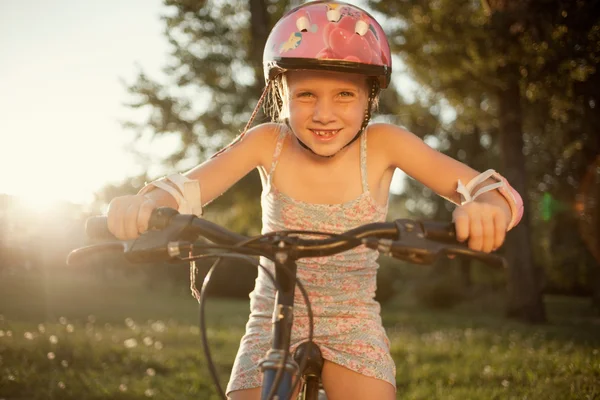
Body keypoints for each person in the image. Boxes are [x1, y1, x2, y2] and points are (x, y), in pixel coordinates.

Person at [106, 1, 524, 399]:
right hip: (273, 316)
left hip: (353, 322)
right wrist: (148, 203)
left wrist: (488, 207)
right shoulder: (268, 142)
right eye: (306, 95)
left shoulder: (383, 143)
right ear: (281, 95)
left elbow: (487, 187)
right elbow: (189, 188)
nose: (325, 113)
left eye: (344, 94)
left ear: (369, 99)